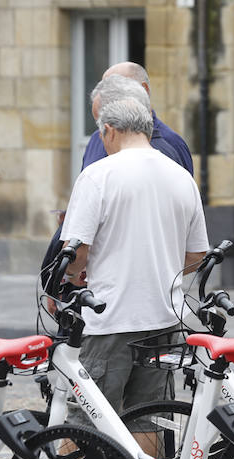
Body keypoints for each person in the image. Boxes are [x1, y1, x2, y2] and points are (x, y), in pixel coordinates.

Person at [59, 80, 209, 459]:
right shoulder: (180, 176)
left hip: (109, 317)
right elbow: (197, 254)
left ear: (108, 130)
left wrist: (73, 279)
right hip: (164, 315)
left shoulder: (99, 175)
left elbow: (77, 250)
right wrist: (160, 272)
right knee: (149, 417)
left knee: (81, 417)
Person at [41, 62, 193, 302]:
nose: (103, 131)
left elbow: (181, 235)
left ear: (142, 91)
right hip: (86, 293)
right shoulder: (95, 141)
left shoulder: (171, 149)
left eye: (113, 90)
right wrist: (58, 283)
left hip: (129, 300)